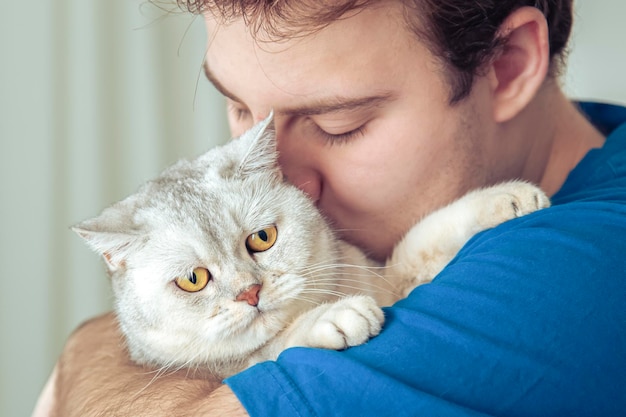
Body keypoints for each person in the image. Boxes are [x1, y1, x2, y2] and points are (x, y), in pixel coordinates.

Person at [35, 0, 626, 416]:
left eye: (337, 123)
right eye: (239, 108)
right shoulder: (594, 141)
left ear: (507, 65)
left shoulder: (582, 269)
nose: (285, 184)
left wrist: (86, 349)